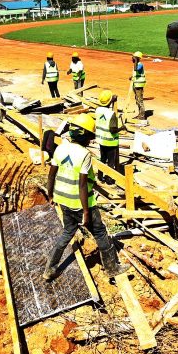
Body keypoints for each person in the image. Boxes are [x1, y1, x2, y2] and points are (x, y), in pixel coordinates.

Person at [42, 114, 129, 281]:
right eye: (91, 135)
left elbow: (51, 175)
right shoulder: (84, 154)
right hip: (81, 203)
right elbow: (82, 185)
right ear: (85, 136)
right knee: (100, 233)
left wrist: (50, 194)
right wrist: (87, 212)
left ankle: (50, 269)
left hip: (63, 200)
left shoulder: (60, 148)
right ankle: (112, 268)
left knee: (67, 232)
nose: (92, 139)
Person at [95, 90, 120, 183]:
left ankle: (100, 177)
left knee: (102, 159)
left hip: (101, 139)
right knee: (110, 162)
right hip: (110, 141)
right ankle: (109, 179)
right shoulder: (111, 114)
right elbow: (113, 130)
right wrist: (122, 128)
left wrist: (111, 101)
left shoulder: (98, 110)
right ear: (110, 101)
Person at [131, 51, 146, 119]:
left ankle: (142, 116)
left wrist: (136, 60)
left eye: (133, 57)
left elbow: (136, 69)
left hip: (139, 85)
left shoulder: (140, 64)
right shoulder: (137, 64)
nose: (132, 59)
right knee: (137, 100)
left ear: (137, 58)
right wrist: (132, 77)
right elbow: (137, 73)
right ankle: (140, 114)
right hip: (136, 84)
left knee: (140, 100)